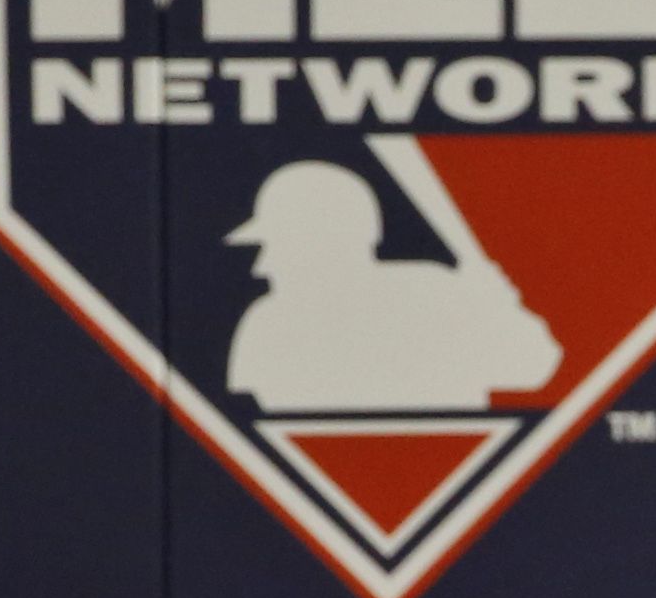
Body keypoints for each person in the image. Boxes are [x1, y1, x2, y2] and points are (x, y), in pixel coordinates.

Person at [223, 158, 560, 414]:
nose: (261, 267)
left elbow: (532, 367)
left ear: (328, 243)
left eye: (278, 246)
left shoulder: (435, 295)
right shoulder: (271, 322)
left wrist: (496, 310)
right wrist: (494, 308)